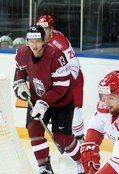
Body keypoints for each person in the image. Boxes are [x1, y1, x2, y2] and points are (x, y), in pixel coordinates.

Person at [12, 25, 85, 174]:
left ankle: (82, 161)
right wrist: (20, 85)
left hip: (62, 101)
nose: (35, 45)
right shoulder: (23, 53)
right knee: (33, 128)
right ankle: (44, 168)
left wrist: (44, 103)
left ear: (44, 41)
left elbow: (62, 87)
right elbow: (20, 73)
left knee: (63, 139)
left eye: (38, 41)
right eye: (31, 41)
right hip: (38, 99)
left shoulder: (56, 55)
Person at [36, 15, 86, 143]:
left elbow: (74, 64)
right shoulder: (37, 40)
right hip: (56, 78)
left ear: (51, 29)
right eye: (40, 28)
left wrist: (66, 83)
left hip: (72, 77)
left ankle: (80, 139)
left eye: (45, 29)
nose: (42, 31)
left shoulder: (60, 42)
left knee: (73, 107)